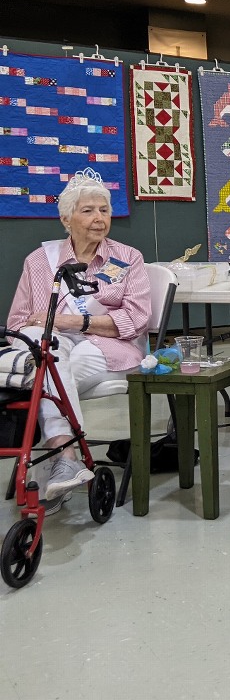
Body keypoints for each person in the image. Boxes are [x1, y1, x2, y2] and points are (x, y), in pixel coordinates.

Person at [7, 168, 151, 514]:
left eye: (104, 210)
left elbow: (135, 320)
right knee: (44, 353)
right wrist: (50, 328)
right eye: (88, 211)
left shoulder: (127, 258)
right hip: (53, 346)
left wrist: (73, 321)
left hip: (110, 349)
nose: (99, 218)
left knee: (47, 371)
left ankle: (60, 458)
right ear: (65, 219)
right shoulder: (40, 261)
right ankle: (67, 456)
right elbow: (17, 321)